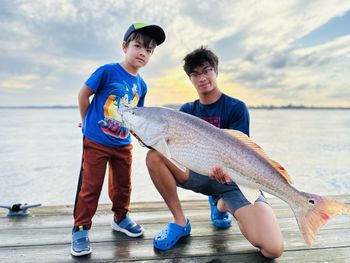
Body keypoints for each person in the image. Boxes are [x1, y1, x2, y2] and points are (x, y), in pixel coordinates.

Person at [145, 46, 284, 259]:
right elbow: (167, 146)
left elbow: (243, 154)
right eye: (195, 74)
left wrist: (229, 177)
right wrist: (145, 138)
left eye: (207, 70)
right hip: (196, 173)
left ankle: (223, 203)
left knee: (273, 249)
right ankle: (180, 222)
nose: (202, 77)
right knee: (154, 156)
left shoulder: (236, 108)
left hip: (234, 181)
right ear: (190, 79)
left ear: (216, 71)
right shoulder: (187, 111)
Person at [71, 22, 166, 257]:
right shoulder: (107, 71)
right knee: (90, 186)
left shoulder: (141, 85)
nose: (143, 52)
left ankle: (120, 218)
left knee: (123, 185)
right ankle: (81, 228)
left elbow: (138, 116)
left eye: (149, 50)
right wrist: (88, 123)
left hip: (123, 144)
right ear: (125, 46)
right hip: (96, 140)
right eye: (138, 46)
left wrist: (145, 138)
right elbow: (83, 94)